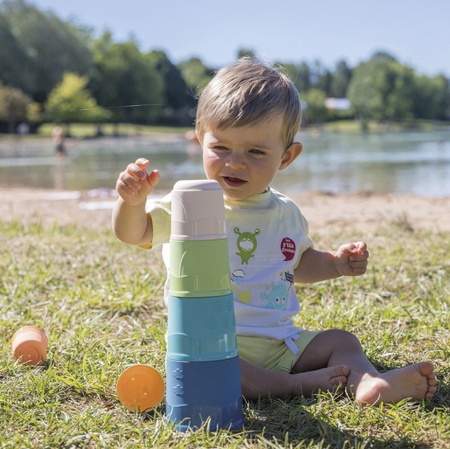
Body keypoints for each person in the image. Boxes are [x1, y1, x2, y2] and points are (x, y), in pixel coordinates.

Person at [112, 58, 437, 406]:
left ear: (286, 157)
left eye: (255, 152)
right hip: (214, 345)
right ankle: (292, 386)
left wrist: (336, 264)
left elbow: (297, 265)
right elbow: (134, 233)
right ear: (200, 139)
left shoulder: (285, 212)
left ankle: (368, 384)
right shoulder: (190, 202)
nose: (235, 162)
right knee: (225, 371)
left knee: (342, 342)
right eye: (221, 148)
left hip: (284, 342)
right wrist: (132, 203)